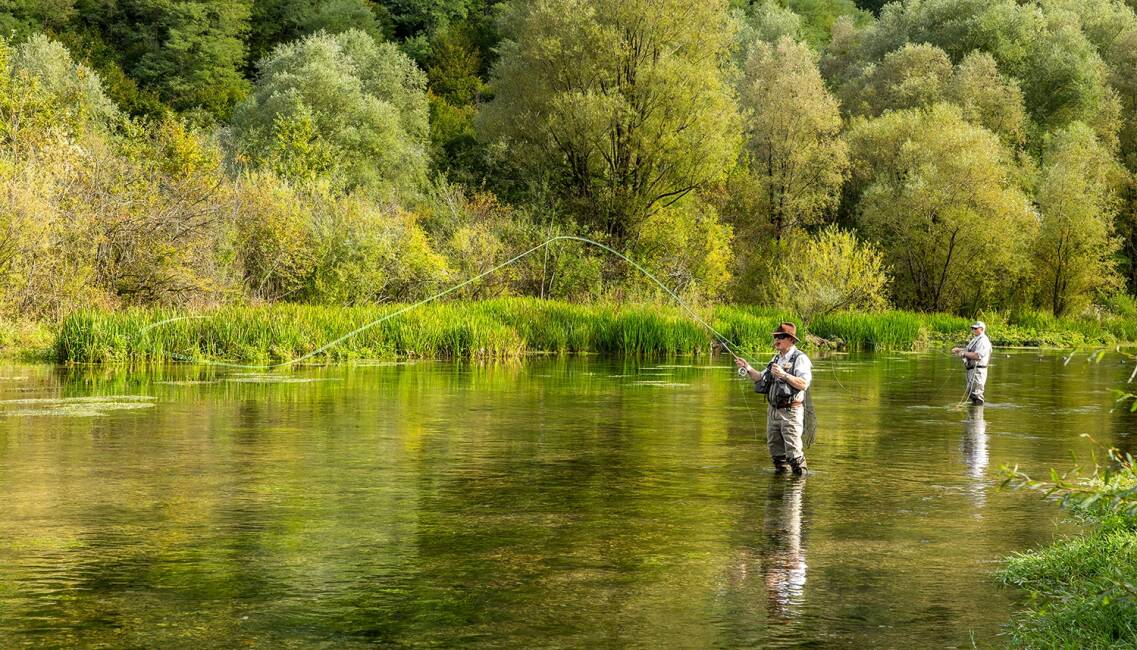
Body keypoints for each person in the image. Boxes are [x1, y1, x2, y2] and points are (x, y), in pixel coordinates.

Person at [735, 322, 813, 475]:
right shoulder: (776, 359)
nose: (777, 339)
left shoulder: (800, 359)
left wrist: (784, 375)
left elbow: (804, 384)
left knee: (794, 455)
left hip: (791, 412)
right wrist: (747, 367)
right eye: (776, 336)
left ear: (791, 340)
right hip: (773, 412)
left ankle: (797, 492)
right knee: (777, 456)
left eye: (781, 337)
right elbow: (760, 378)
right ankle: (779, 493)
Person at [951, 320, 992, 405]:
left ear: (982, 329)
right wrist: (959, 350)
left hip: (978, 371)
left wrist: (963, 353)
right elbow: (969, 351)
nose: (973, 330)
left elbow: (977, 355)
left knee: (976, 394)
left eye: (975, 328)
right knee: (971, 394)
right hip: (972, 370)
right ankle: (972, 417)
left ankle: (978, 417)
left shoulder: (983, 341)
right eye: (972, 328)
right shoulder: (976, 339)